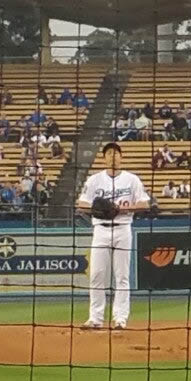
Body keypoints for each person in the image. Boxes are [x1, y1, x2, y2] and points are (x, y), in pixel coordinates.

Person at [77, 142, 150, 331]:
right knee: (97, 275)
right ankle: (95, 318)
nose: (113, 156)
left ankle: (120, 319)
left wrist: (121, 209)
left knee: (122, 276)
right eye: (109, 153)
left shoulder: (132, 179)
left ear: (121, 157)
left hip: (123, 228)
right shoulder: (94, 180)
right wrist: (101, 210)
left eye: (116, 153)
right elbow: (81, 204)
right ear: (104, 158)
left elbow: (144, 204)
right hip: (100, 229)